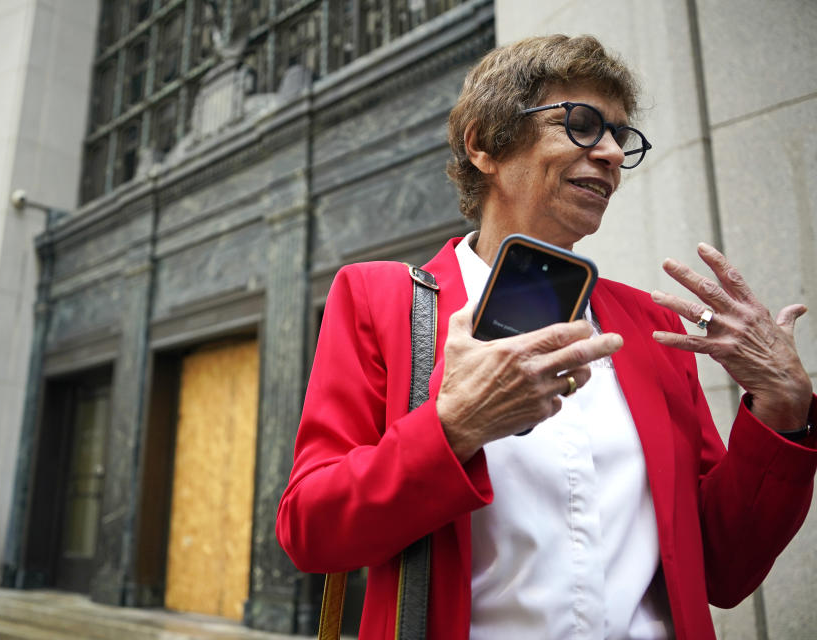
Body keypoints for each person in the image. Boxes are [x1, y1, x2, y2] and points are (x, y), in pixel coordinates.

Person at [276, 34, 817, 639]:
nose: (611, 152)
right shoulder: (382, 301)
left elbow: (721, 567)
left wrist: (782, 412)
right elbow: (311, 531)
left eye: (620, 135)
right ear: (484, 145)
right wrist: (454, 428)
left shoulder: (650, 324)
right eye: (583, 125)